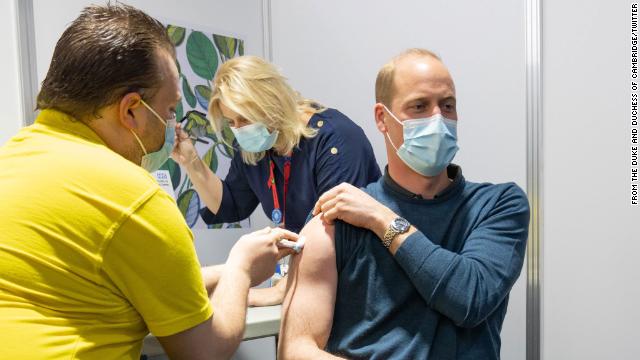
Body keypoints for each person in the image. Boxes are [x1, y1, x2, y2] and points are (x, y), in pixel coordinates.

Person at [0, 4, 297, 359]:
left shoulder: (12, 161)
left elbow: (124, 282)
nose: (173, 125)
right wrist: (241, 267)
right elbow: (205, 350)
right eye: (170, 110)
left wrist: (228, 274)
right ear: (131, 110)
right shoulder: (133, 197)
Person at [278, 49, 530, 359]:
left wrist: (381, 219)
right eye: (419, 106)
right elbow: (296, 350)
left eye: (447, 105)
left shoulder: (497, 205)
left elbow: (469, 298)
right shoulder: (336, 219)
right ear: (382, 118)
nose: (438, 118)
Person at [172, 55, 381, 305]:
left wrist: (273, 292)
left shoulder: (336, 139)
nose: (239, 129)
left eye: (245, 118)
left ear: (272, 103)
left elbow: (338, 235)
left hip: (356, 287)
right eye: (232, 122)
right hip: (305, 286)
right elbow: (231, 205)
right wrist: (191, 161)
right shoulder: (257, 147)